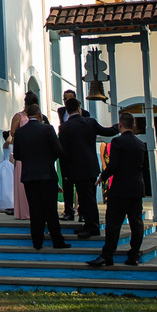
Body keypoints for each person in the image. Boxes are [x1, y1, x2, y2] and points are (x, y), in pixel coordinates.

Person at [88, 112, 147, 267]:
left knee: (113, 223)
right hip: (136, 188)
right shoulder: (140, 144)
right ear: (133, 126)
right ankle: (134, 255)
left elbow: (113, 165)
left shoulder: (117, 142)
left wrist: (102, 177)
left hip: (120, 189)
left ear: (120, 125)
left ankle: (107, 255)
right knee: (136, 223)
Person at [12, 99, 71, 251]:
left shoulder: (20, 132)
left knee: (35, 209)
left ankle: (37, 242)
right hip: (47, 174)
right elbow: (58, 150)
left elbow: (17, 155)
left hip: (29, 175)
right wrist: (48, 160)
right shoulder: (47, 129)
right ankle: (57, 240)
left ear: (27, 115)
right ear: (39, 115)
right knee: (50, 209)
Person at [57, 97, 118, 238]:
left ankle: (92, 227)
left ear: (67, 111)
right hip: (91, 167)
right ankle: (89, 224)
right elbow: (107, 131)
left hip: (75, 168)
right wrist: (117, 126)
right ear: (79, 109)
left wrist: (65, 173)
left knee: (86, 199)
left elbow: (63, 153)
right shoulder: (90, 122)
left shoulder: (64, 127)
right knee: (89, 198)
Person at [56, 89, 91, 221]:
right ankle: (68, 211)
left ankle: (82, 212)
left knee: (81, 186)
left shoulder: (84, 114)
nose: (66, 102)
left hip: (79, 153)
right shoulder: (61, 111)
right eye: (64, 99)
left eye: (69, 99)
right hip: (66, 152)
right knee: (67, 183)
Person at [7, 91, 40, 219]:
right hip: (23, 153)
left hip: (35, 153)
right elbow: (13, 132)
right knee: (22, 184)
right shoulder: (19, 116)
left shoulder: (38, 117)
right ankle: (24, 211)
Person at [0, 131, 14, 213]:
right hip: (7, 166)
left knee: (11, 186)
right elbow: (8, 141)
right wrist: (11, 134)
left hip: (12, 164)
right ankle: (6, 204)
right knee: (6, 185)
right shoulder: (6, 145)